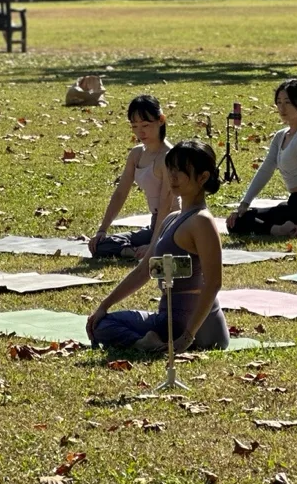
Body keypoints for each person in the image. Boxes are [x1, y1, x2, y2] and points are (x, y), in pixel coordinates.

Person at [87, 140, 229, 352]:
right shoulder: (171, 219)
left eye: (180, 171)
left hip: (202, 330)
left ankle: (151, 343)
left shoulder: (202, 221)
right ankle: (145, 344)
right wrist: (103, 306)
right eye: (170, 169)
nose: (172, 177)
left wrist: (186, 338)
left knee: (109, 328)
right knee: (102, 324)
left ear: (203, 177)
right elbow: (145, 270)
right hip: (166, 321)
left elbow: (213, 283)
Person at [227, 79, 297, 238]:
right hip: (294, 204)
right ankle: (280, 228)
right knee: (237, 222)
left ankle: (281, 229)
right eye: (279, 102)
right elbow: (266, 170)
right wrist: (244, 204)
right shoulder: (281, 136)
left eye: (288, 102)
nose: (282, 108)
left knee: (247, 222)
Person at [89, 95, 177, 258]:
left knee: (163, 248)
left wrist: (153, 244)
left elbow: (166, 203)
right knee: (100, 245)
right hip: (154, 223)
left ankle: (148, 250)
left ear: (161, 120)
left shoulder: (168, 157)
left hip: (174, 224)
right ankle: (135, 252)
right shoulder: (137, 154)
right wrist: (102, 229)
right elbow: (121, 193)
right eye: (134, 126)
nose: (140, 131)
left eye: (145, 125)